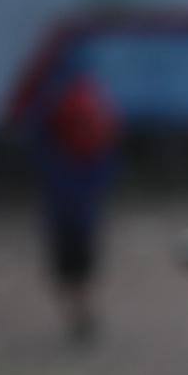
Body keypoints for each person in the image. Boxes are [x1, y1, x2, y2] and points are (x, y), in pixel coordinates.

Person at [29, 69, 120, 345]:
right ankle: (84, 313)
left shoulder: (52, 117)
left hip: (60, 203)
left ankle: (74, 315)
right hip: (85, 206)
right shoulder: (92, 116)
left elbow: (36, 148)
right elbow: (109, 160)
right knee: (84, 265)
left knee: (66, 266)